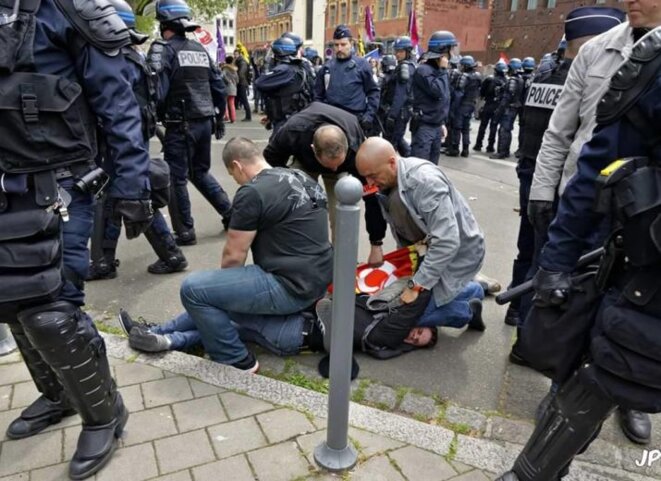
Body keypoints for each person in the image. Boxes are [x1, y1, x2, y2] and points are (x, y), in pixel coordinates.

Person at [496, 26, 661, 480]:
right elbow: (569, 141)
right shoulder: (643, 60)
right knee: (595, 356)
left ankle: (630, 402)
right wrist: (554, 246)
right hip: (628, 240)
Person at [0, 0, 156, 477]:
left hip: (62, 183)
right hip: (7, 184)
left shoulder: (70, 10)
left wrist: (133, 185)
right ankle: (59, 395)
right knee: (11, 303)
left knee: (54, 311)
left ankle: (105, 414)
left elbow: (118, 103)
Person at [527, 4, 652, 444]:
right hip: (587, 197)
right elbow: (560, 130)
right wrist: (542, 191)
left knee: (639, 311)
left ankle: (631, 396)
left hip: (649, 215)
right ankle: (564, 386)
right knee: (576, 302)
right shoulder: (597, 50)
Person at [141, 138, 333, 372]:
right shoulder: (303, 177)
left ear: (237, 166)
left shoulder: (252, 192)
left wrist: (225, 294)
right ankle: (159, 332)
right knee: (210, 296)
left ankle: (236, 359)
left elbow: (233, 257)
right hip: (318, 281)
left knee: (194, 290)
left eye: (232, 175)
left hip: (289, 287)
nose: (235, 180)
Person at [503, 7, 626, 331]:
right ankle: (531, 330)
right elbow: (558, 134)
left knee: (530, 252)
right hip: (560, 181)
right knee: (547, 259)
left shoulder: (544, 76)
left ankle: (520, 316)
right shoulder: (577, 73)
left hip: (535, 170)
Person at [87, 0, 188, 280]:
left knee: (125, 197)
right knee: (120, 197)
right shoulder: (133, 55)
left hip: (118, 140)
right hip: (129, 138)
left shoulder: (116, 57)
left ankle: (167, 254)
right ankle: (106, 260)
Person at [356, 138, 486, 333]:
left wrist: (416, 285)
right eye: (365, 177)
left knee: (401, 319)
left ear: (392, 162)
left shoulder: (424, 183)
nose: (369, 183)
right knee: (396, 308)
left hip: (457, 255)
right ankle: (469, 290)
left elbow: (447, 242)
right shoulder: (390, 179)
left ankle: (468, 310)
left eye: (373, 176)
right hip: (429, 252)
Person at [147, 0, 231, 246]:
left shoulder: (163, 48)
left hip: (179, 122)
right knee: (200, 172)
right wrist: (217, 115)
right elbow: (219, 85)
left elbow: (155, 89)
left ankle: (184, 230)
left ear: (164, 24)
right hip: (204, 121)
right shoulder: (199, 49)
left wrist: (152, 115)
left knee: (176, 177)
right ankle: (230, 212)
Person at [262, 101, 387, 252]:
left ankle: (340, 257)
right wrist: (291, 179)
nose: (334, 169)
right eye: (330, 165)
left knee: (340, 213)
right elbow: (271, 155)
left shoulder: (356, 151)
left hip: (345, 161)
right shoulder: (293, 131)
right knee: (298, 203)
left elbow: (372, 198)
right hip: (305, 161)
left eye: (337, 164)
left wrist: (376, 243)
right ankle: (302, 252)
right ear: (314, 149)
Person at [314, 25, 380, 136]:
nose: (339, 48)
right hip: (331, 121)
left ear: (351, 44)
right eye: (336, 45)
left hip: (355, 121)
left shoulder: (362, 65)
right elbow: (317, 96)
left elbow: (373, 92)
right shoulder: (326, 68)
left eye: (343, 44)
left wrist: (369, 116)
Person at [410, 31, 455, 164]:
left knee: (432, 167)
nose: (451, 53)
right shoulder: (424, 70)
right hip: (424, 127)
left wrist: (441, 122)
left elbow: (444, 99)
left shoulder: (440, 71)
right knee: (420, 167)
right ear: (442, 50)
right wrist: (442, 70)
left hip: (435, 126)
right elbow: (438, 92)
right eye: (450, 49)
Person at [254, 36, 312, 136]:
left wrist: (269, 65)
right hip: (294, 118)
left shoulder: (284, 70)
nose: (271, 56)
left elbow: (260, 82)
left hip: (286, 122)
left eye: (272, 53)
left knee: (273, 151)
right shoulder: (297, 67)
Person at [379, 36, 416, 157]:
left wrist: (392, 116)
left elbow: (401, 94)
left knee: (391, 144)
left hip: (399, 112)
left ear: (408, 51)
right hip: (399, 111)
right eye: (396, 51)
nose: (397, 54)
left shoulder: (405, 67)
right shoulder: (404, 66)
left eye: (400, 51)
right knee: (398, 140)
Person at [446, 56, 482, 158]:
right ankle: (465, 149)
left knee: (457, 128)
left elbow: (458, 94)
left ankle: (455, 149)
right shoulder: (477, 76)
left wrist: (453, 109)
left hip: (462, 105)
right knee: (466, 128)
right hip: (471, 104)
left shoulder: (464, 76)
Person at [490, 58, 524, 160]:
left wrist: (499, 110)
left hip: (508, 108)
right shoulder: (520, 79)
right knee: (507, 130)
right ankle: (505, 151)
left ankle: (502, 152)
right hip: (513, 108)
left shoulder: (513, 80)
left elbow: (507, 97)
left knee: (504, 130)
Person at [473, 61, 507, 153]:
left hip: (489, 104)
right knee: (494, 126)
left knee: (483, 125)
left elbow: (482, 92)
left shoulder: (489, 79)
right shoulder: (506, 81)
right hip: (498, 106)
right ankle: (490, 146)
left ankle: (478, 144)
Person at [234, 49, 252, 120]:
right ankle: (247, 116)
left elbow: (241, 73)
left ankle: (248, 116)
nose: (235, 56)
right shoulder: (239, 61)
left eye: (236, 54)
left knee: (244, 100)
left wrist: (237, 78)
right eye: (234, 54)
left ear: (240, 54)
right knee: (241, 99)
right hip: (241, 83)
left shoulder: (242, 62)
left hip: (242, 83)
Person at [222, 56, 239, 123]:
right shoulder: (234, 69)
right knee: (232, 104)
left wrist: (228, 81)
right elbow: (237, 79)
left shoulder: (225, 69)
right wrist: (234, 83)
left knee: (225, 103)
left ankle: (227, 116)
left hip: (226, 87)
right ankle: (233, 118)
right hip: (233, 88)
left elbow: (223, 76)